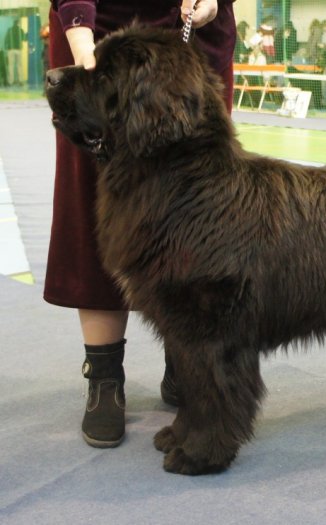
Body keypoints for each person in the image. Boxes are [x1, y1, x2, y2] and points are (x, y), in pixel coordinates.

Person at [45, 0, 236, 449]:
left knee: (199, 215)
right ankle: (105, 376)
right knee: (96, 211)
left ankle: (188, 363)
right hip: (95, 34)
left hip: (193, 37)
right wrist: (81, 37)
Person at [4, 19, 26, 86]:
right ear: (18, 23)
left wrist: (6, 47)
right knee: (19, 65)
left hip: (10, 49)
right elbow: (23, 39)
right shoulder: (20, 30)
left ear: (13, 23)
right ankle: (20, 81)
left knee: (11, 65)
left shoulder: (9, 30)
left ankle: (10, 81)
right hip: (18, 49)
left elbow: (6, 39)